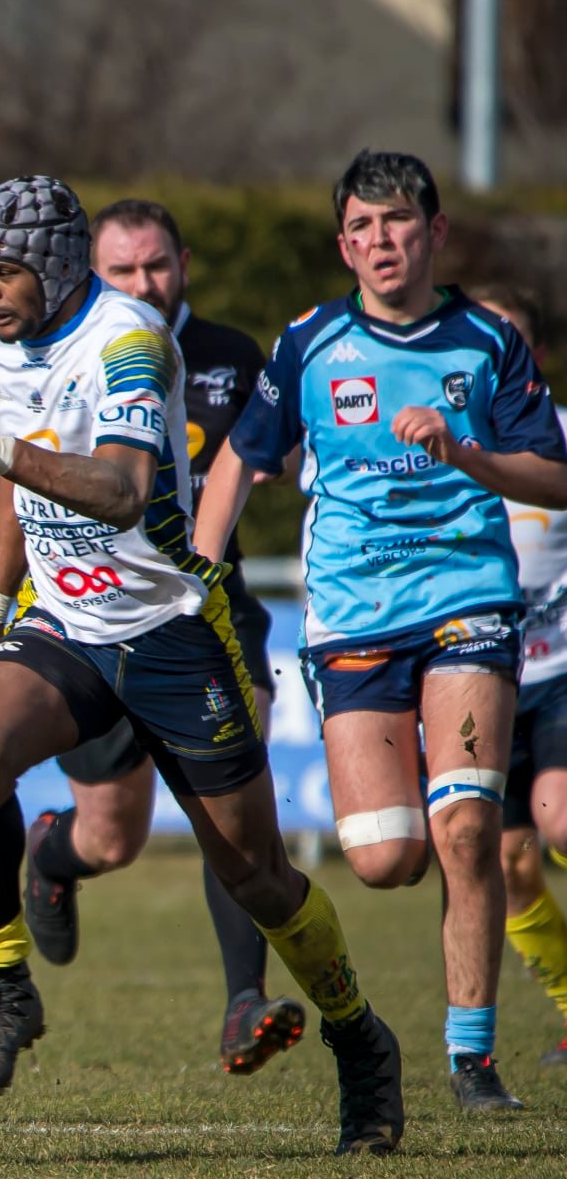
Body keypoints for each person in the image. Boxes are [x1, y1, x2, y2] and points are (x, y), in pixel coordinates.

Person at [0, 174, 403, 1156]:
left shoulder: (130, 340)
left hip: (177, 627)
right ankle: (6, 990)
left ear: (51, 268)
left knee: (257, 877)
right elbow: (16, 481)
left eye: (0, 274)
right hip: (64, 623)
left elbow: (123, 490)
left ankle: (359, 1037)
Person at [198, 151, 567, 1112]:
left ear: (434, 233)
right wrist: (197, 576)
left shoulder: (486, 341)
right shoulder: (311, 343)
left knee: (468, 824)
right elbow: (242, 459)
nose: (380, 242)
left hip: (470, 603)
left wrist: (465, 452)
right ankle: (387, 1029)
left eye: (397, 223)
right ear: (342, 245)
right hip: (355, 618)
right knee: (384, 857)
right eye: (361, 228)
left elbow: (554, 475)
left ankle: (472, 1058)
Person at [0, 199, 303, 1075]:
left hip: (191, 607)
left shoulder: (174, 349)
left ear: (183, 263)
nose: (145, 282)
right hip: (73, 616)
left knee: (242, 847)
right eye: (126, 266)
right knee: (98, 833)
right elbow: (5, 476)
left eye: (157, 266)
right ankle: (37, 902)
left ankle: (248, 1001)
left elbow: (146, 484)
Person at [467, 283, 567, 1068]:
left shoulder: (558, 439)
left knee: (561, 820)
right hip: (477, 671)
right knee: (509, 862)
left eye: (514, 340)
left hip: (560, 671)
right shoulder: (432, 442)